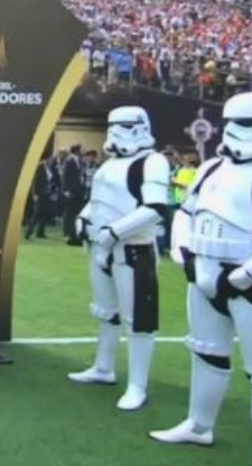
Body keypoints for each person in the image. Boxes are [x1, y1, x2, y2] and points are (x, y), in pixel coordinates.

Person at [151, 91, 252, 466]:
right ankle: (199, 424)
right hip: (203, 272)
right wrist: (182, 251)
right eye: (230, 122)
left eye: (244, 123)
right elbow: (186, 211)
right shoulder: (210, 168)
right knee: (205, 353)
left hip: (251, 280)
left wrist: (249, 274)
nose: (233, 131)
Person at [66, 107, 168, 411]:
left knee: (138, 320)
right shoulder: (111, 165)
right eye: (112, 127)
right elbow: (98, 202)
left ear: (139, 127)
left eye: (122, 126)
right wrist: (85, 220)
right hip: (101, 247)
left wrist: (115, 231)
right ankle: (103, 366)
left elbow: (155, 207)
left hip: (133, 249)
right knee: (105, 312)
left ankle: (138, 384)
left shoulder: (153, 162)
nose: (115, 133)